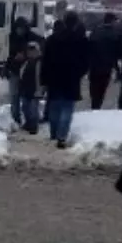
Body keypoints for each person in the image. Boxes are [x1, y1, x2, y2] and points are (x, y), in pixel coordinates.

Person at [41, 11, 92, 149]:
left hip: (54, 78)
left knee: (54, 106)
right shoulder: (81, 40)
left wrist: (44, 79)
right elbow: (86, 61)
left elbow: (45, 61)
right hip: (71, 79)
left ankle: (53, 133)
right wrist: (79, 73)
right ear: (76, 23)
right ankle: (62, 136)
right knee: (67, 108)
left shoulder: (52, 39)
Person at [5, 17, 44, 124]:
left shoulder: (33, 37)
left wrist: (25, 55)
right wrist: (6, 67)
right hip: (15, 69)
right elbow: (10, 54)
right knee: (14, 97)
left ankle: (30, 121)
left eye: (21, 29)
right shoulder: (12, 37)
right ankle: (16, 119)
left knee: (27, 98)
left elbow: (39, 50)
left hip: (28, 72)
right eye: (18, 29)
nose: (19, 31)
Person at [88, 12, 122, 109]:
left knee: (94, 86)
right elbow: (118, 52)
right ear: (112, 21)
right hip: (107, 66)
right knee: (102, 87)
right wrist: (117, 69)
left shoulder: (95, 31)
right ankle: (97, 105)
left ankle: (94, 104)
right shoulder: (115, 34)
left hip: (94, 65)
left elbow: (89, 48)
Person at [7, 40, 44, 134]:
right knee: (25, 108)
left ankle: (33, 126)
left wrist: (41, 89)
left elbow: (41, 77)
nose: (31, 52)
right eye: (29, 50)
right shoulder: (26, 62)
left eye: (33, 50)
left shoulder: (40, 62)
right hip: (25, 89)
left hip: (35, 89)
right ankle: (28, 124)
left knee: (33, 109)